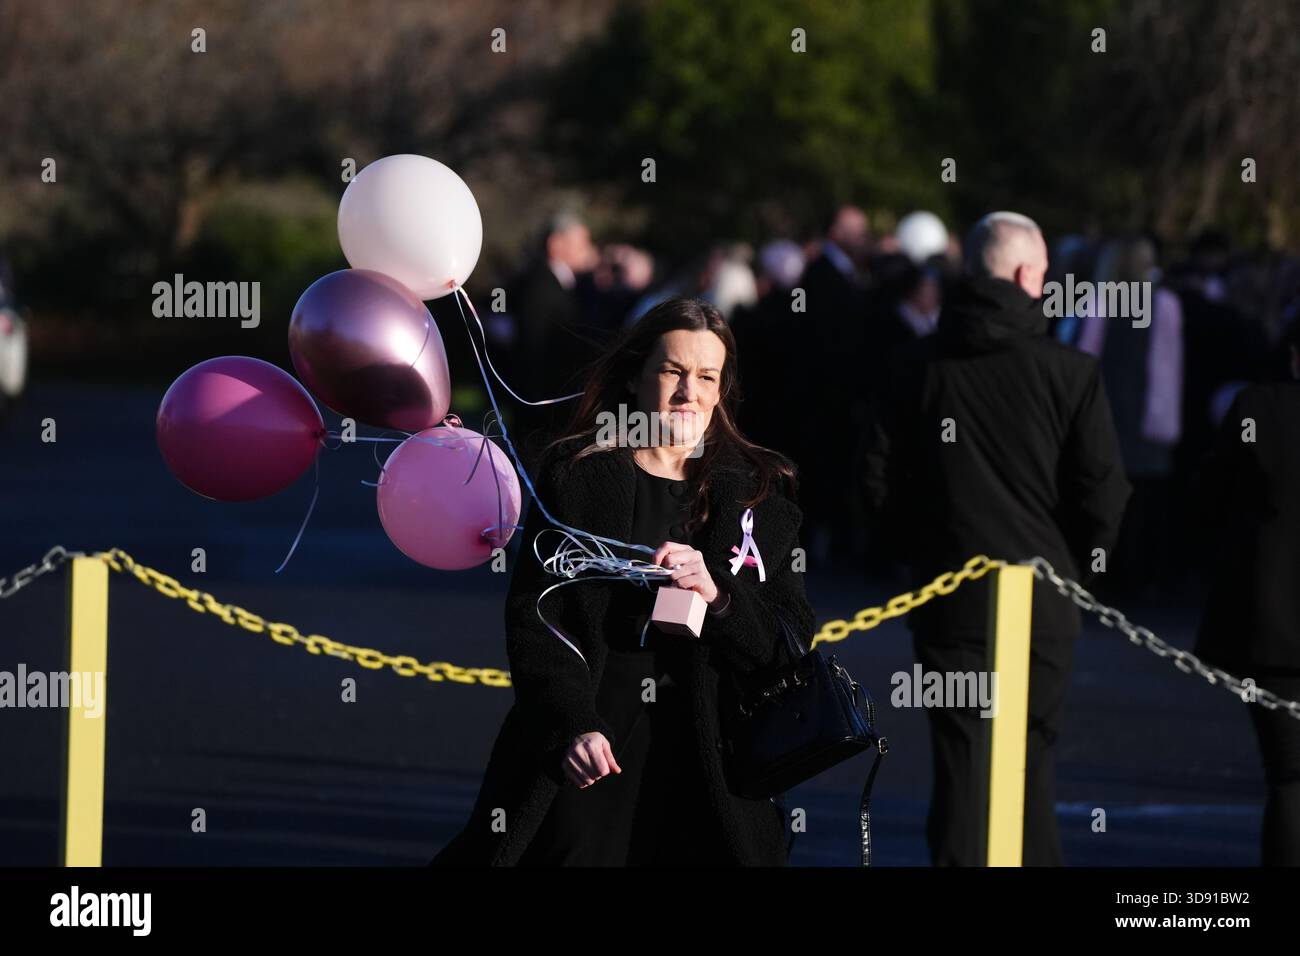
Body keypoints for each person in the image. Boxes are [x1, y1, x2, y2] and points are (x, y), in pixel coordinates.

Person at [430, 297, 815, 866]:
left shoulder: (760, 492)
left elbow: (789, 641)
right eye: (672, 371)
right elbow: (536, 621)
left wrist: (720, 598)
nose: (690, 391)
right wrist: (570, 727)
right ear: (636, 378)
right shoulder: (576, 475)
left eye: (706, 376)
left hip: (710, 754)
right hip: (595, 744)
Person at [863, 211, 1131, 866]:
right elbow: (1104, 490)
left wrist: (919, 552)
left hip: (950, 598)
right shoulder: (1069, 371)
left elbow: (875, 479)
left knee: (962, 763)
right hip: (1044, 599)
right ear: (1025, 274)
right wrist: (1078, 568)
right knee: (1029, 766)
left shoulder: (914, 365)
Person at [1193, 316, 1300, 866]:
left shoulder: (1256, 408)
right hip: (1271, 626)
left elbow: (1212, 501)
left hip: (1270, 627)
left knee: (1287, 773)